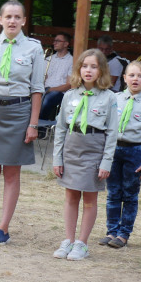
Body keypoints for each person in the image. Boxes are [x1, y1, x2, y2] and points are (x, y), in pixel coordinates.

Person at [0, 0, 45, 245]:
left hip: (18, 112)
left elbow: (37, 89)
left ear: (24, 21)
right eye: (8, 16)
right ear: (0, 20)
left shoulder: (34, 48)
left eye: (18, 17)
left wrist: (33, 123)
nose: (13, 21)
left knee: (12, 173)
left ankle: (3, 228)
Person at [51, 49, 118, 261]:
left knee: (89, 198)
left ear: (102, 71)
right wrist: (57, 158)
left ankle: (82, 243)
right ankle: (68, 240)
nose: (88, 70)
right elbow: (60, 129)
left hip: (94, 149)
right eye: (85, 66)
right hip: (72, 147)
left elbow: (112, 133)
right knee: (70, 196)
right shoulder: (69, 95)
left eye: (94, 66)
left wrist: (106, 162)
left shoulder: (109, 98)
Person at [101, 60, 141, 248]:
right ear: (124, 77)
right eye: (132, 75)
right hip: (114, 149)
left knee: (129, 193)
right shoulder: (115, 98)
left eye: (140, 76)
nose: (136, 79)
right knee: (113, 192)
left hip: (136, 150)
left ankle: (124, 233)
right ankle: (111, 230)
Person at [39, 32, 73, 121]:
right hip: (45, 90)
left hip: (60, 93)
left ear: (66, 44)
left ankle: (41, 127)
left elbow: (69, 85)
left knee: (47, 100)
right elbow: (43, 78)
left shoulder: (72, 61)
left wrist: (49, 90)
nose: (54, 43)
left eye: (57, 41)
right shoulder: (48, 58)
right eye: (54, 41)